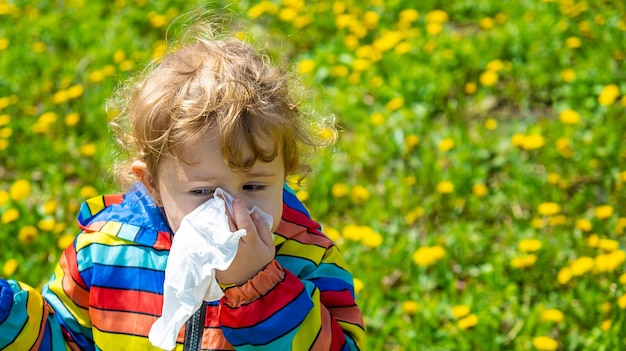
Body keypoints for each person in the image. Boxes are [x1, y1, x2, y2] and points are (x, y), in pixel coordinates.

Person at [0, 20, 365, 351]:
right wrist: (7, 318)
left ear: (284, 175)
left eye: (253, 187)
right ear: (152, 185)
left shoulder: (307, 259)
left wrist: (260, 287)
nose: (229, 212)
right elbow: (65, 340)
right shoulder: (106, 251)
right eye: (203, 192)